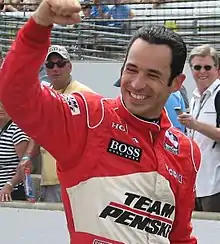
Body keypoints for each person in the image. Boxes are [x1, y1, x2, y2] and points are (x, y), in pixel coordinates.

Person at [0, 0, 200, 243]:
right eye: (132, 69)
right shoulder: (89, 119)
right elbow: (15, 94)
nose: (137, 84)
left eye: (153, 75)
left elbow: (180, 236)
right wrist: (39, 25)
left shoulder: (186, 151)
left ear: (177, 83)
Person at [22, 44, 93, 203]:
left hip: (77, 179)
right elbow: (37, 133)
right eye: (50, 65)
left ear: (70, 66)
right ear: (45, 69)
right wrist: (27, 156)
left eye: (60, 64)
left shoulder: (85, 94)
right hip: (49, 180)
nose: (55, 68)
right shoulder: (44, 96)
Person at [179, 44, 220, 212]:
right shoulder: (195, 96)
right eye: (197, 67)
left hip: (215, 185)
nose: (202, 71)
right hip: (196, 183)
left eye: (207, 67)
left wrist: (195, 125)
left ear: (217, 69)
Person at [0, 102, 29, 201]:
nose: (1, 108)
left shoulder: (17, 130)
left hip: (11, 193)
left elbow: (27, 166)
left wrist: (9, 185)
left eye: (3, 104)